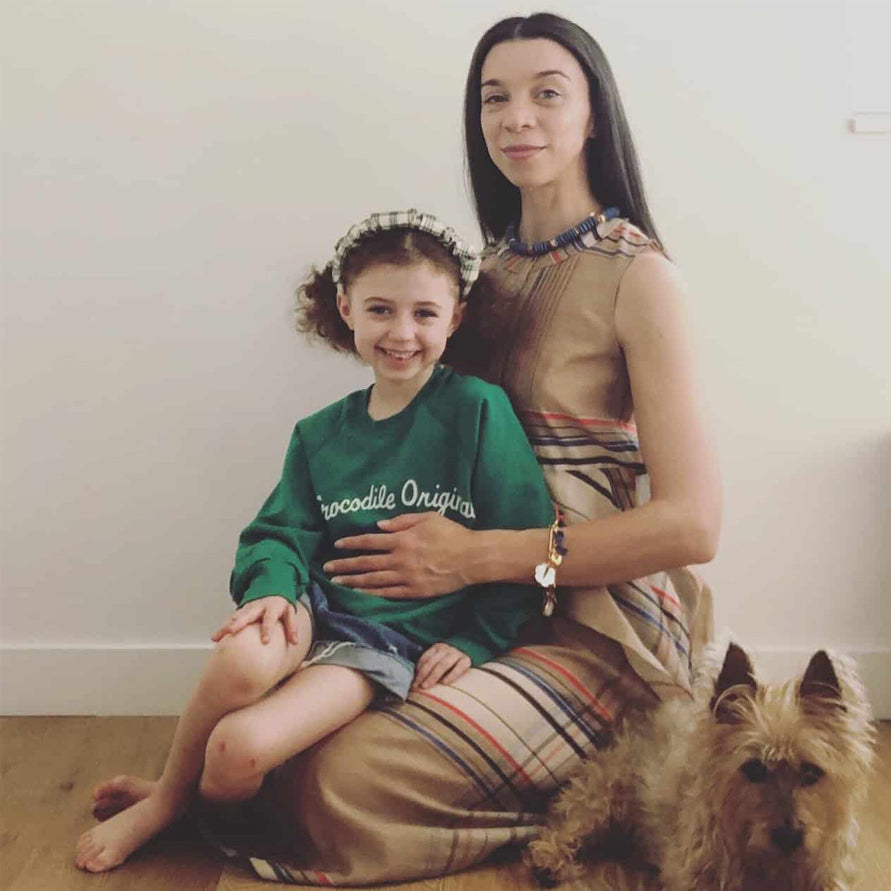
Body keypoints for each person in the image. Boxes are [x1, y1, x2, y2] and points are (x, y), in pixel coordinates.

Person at [183, 13, 717, 886]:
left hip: (592, 622)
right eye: (493, 98)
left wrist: (480, 556)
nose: (516, 117)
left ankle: (629, 778)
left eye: (547, 93)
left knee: (341, 776)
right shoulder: (479, 273)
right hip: (439, 613)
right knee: (271, 730)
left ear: (594, 115)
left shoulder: (642, 277)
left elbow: (692, 526)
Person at [75, 208, 557, 873]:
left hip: (383, 642)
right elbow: (278, 532)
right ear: (346, 307)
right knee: (241, 661)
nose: (402, 332)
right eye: (380, 310)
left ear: (455, 318)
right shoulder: (319, 433)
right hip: (312, 604)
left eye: (424, 313)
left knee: (237, 750)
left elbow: (529, 539)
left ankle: (193, 802)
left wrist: (477, 639)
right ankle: (167, 798)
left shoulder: (477, 410)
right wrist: (273, 589)